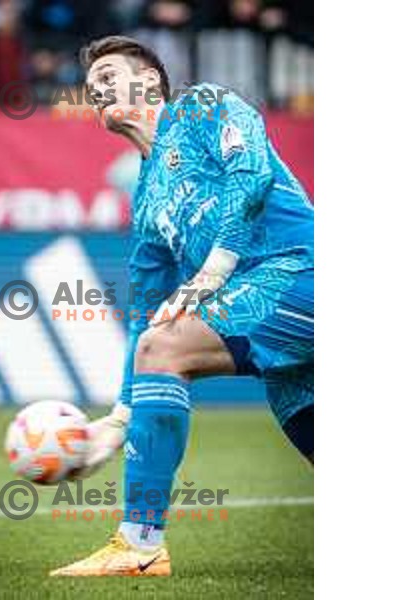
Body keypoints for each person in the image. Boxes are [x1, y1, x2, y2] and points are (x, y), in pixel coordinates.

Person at [50, 34, 313, 577]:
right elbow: (148, 315)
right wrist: (119, 421)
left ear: (148, 82)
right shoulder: (146, 199)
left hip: (302, 274)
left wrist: (215, 267)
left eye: (108, 77)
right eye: (90, 85)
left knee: (165, 347)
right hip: (277, 324)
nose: (95, 90)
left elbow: (254, 174)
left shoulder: (203, 106)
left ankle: (140, 544)